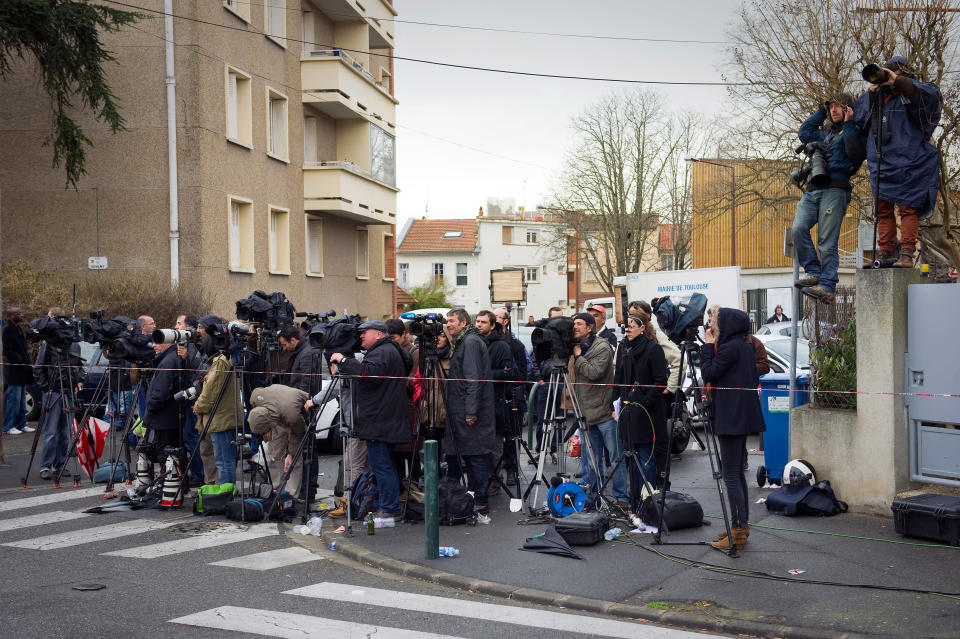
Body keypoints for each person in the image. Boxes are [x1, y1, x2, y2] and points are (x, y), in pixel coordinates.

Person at [853, 56, 942, 269]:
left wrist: (899, 83)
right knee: (882, 211)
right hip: (881, 162)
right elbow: (859, 121)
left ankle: (907, 254)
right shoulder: (876, 96)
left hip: (908, 162)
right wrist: (873, 94)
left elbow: (931, 99)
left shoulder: (914, 90)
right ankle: (884, 252)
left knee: (908, 209)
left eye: (892, 73)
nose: (886, 77)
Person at [330, 320, 412, 519]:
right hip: (384, 418)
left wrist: (343, 361)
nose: (360, 336)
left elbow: (368, 375)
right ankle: (387, 506)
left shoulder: (382, 352)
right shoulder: (390, 351)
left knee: (382, 466)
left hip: (380, 420)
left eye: (364, 333)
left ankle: (389, 508)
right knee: (385, 465)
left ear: (378, 334)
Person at [699, 306, 765, 550]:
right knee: (736, 474)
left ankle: (738, 532)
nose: (712, 326)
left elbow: (708, 372)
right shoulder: (744, 346)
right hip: (740, 416)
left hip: (731, 418)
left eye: (716, 322)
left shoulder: (730, 348)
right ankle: (740, 527)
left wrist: (707, 347)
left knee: (731, 476)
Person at [792, 92, 866, 304]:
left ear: (848, 109)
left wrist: (850, 124)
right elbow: (804, 132)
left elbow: (855, 153)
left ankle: (827, 285)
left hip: (836, 189)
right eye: (830, 107)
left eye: (837, 106)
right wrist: (820, 112)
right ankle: (813, 271)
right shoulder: (824, 132)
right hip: (813, 188)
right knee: (798, 228)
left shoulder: (855, 131)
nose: (833, 110)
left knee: (826, 241)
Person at [568, 311, 628, 509]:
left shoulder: (601, 347)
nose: (574, 327)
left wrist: (578, 357)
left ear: (589, 328)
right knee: (590, 459)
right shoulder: (576, 347)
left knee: (614, 456)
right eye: (573, 323)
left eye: (578, 324)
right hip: (584, 411)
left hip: (603, 411)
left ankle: (622, 498)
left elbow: (594, 372)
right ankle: (592, 495)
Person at [444, 308, 497, 514]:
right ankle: (471, 496)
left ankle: (481, 499)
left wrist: (471, 412)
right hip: (462, 409)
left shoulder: (470, 342)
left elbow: (473, 379)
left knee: (476, 456)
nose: (448, 325)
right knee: (469, 455)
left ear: (463, 322)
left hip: (470, 412)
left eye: (452, 321)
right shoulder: (464, 341)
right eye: (447, 321)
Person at [612, 310, 667, 505]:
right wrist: (614, 402)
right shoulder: (624, 348)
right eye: (626, 326)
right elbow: (618, 377)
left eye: (631, 326)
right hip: (628, 412)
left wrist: (645, 400)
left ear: (642, 328)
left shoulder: (653, 348)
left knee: (646, 458)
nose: (627, 330)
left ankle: (648, 501)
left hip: (647, 413)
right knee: (631, 458)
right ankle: (635, 500)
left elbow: (661, 381)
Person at [33, 309, 84, 479]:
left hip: (68, 391)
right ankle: (45, 467)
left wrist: (78, 380)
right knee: (51, 432)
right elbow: (38, 368)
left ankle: (60, 464)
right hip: (53, 392)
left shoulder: (73, 345)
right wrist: (46, 387)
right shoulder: (48, 345)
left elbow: (78, 366)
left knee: (64, 433)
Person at [475, 310, 519, 495]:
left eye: (483, 322)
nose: (478, 325)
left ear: (493, 325)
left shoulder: (502, 346)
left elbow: (510, 372)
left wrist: (484, 376)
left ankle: (494, 480)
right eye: (477, 321)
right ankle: (481, 481)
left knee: (494, 445)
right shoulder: (473, 342)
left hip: (496, 402)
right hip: (477, 402)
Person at [192, 317, 240, 486]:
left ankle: (225, 495)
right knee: (216, 458)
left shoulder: (221, 361)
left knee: (224, 461)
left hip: (220, 419)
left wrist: (197, 406)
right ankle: (215, 490)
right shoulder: (218, 360)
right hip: (216, 418)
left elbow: (211, 391)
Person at [139, 336, 187, 481]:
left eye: (158, 342)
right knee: (172, 454)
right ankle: (175, 484)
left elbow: (161, 392)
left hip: (163, 419)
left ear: (169, 341)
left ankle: (170, 485)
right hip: (168, 418)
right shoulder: (170, 358)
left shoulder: (168, 361)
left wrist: (151, 408)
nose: (154, 345)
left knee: (165, 454)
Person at [248, 384, 309, 496]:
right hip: (276, 412)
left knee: (294, 461)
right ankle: (275, 491)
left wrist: (290, 454)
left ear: (270, 426)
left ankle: (290, 496)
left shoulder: (292, 416)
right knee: (274, 455)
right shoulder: (255, 398)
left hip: (295, 415)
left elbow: (298, 434)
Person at [3, 306, 35, 435]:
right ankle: (8, 426)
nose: (21, 315)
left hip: (22, 370)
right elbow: (6, 350)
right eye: (18, 313)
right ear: (12, 315)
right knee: (13, 400)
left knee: (22, 401)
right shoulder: (7, 330)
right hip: (13, 370)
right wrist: (18, 359)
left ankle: (21, 424)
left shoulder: (18, 329)